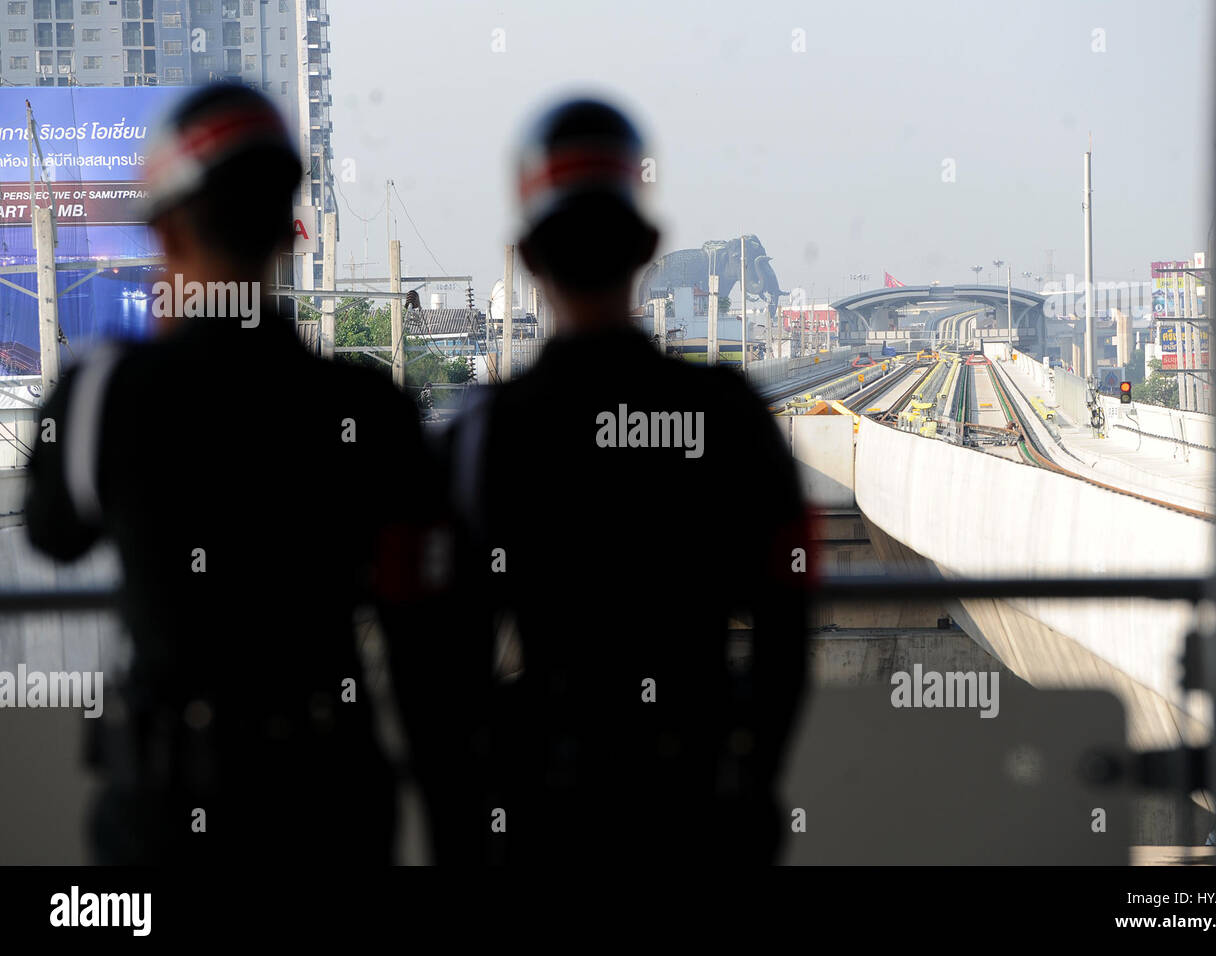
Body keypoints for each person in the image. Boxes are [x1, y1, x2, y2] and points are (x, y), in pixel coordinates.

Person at [25, 83, 435, 864]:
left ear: (168, 231)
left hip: (162, 814)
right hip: (331, 802)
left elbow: (54, 532)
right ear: (289, 232)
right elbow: (421, 624)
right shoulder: (369, 407)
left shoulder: (107, 395)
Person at [436, 97, 811, 864]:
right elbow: (787, 627)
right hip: (694, 799)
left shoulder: (486, 434)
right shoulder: (729, 417)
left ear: (530, 258)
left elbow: (446, 657)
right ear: (648, 247)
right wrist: (752, 784)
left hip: (547, 804)